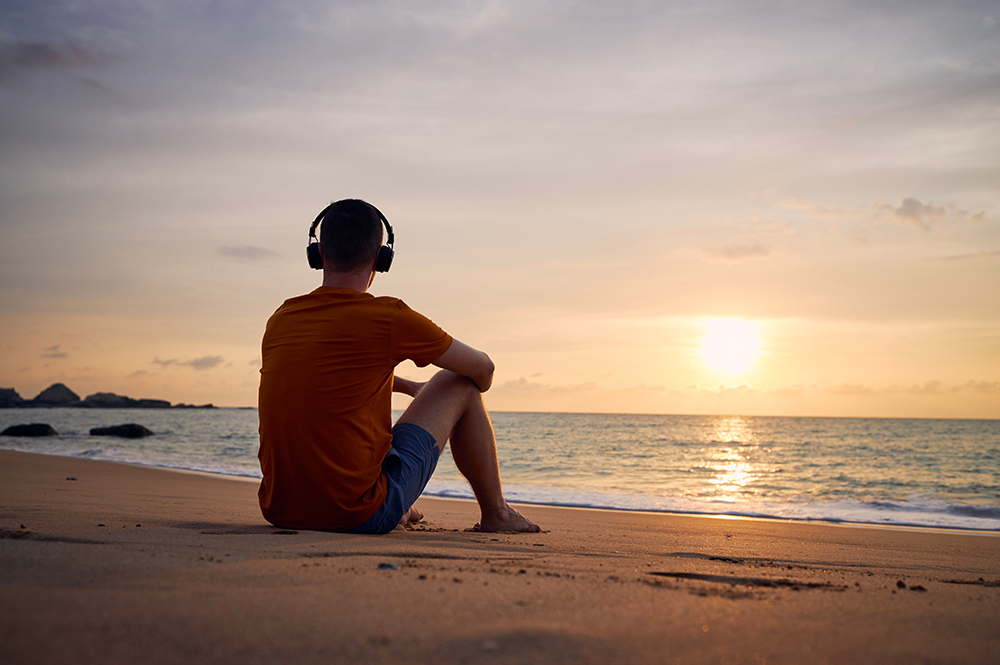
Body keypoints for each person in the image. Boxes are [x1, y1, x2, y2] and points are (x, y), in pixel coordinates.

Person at [257, 198, 539, 535]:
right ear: (381, 258)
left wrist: (409, 387)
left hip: (281, 509)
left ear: (318, 254)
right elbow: (483, 370)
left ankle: (396, 502)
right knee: (459, 382)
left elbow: (329, 380)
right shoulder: (387, 317)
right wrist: (448, 397)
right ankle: (498, 514)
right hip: (357, 514)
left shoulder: (282, 318)